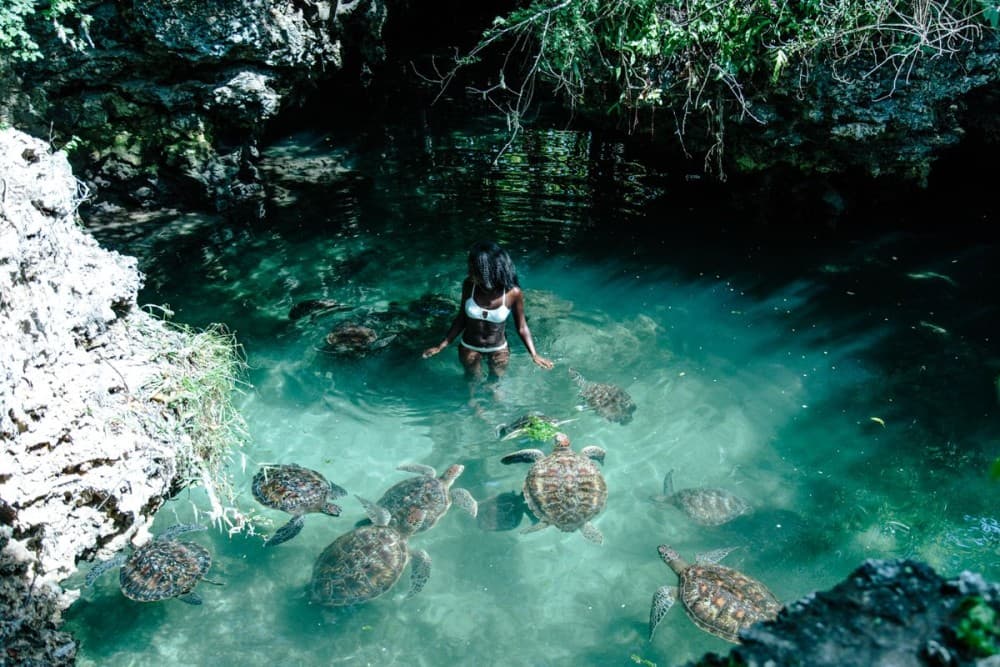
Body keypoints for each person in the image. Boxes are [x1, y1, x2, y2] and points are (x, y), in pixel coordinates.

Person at [422, 241, 554, 387]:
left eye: (473, 268)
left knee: (495, 384)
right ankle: (474, 409)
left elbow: (522, 327)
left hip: (498, 349)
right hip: (469, 346)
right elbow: (461, 318)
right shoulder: (469, 285)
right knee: (472, 381)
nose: (469, 271)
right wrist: (442, 345)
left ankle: (494, 409)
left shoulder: (512, 293)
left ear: (488, 270)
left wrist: (534, 354)